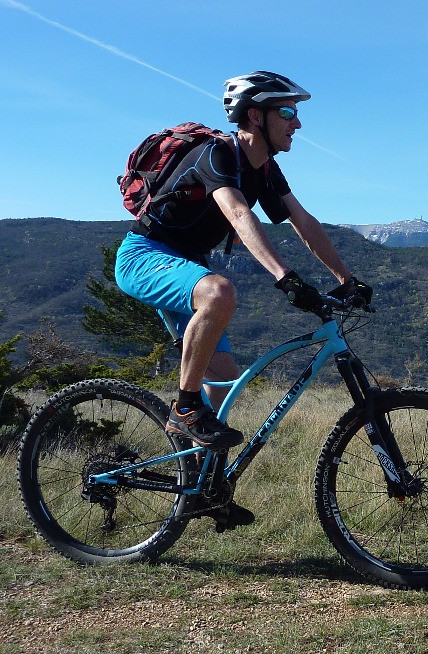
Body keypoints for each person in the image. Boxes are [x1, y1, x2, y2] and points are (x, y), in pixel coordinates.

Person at [115, 71, 370, 525]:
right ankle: (184, 408)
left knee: (225, 377)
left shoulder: (265, 170)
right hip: (145, 256)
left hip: (186, 265)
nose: (297, 124)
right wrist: (284, 277)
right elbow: (236, 213)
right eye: (288, 112)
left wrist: (346, 279)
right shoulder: (216, 155)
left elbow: (303, 222)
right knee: (220, 291)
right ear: (256, 115)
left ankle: (200, 487)